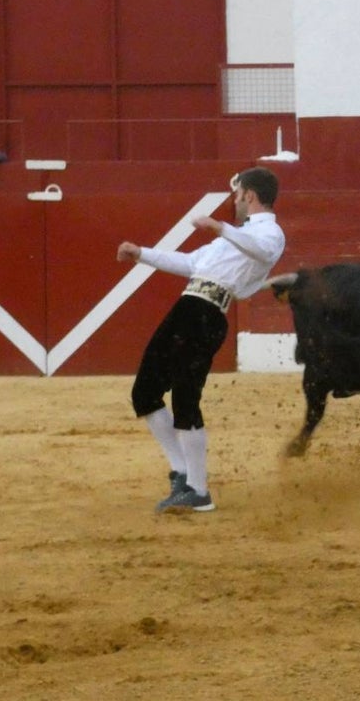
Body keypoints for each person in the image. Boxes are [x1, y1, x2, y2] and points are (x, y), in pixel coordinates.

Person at [116, 166, 286, 514]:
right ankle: (182, 473)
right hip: (188, 307)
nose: (235, 200)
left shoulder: (270, 233)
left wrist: (220, 227)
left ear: (249, 195)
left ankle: (198, 490)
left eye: (237, 194)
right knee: (145, 392)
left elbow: (262, 253)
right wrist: (142, 254)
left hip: (206, 315)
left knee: (185, 396)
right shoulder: (236, 234)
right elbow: (192, 262)